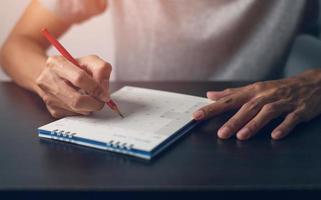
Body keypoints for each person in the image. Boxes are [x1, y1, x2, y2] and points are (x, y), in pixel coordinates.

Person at [1, 0, 321, 141]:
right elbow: (18, 43)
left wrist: (315, 80)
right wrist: (51, 79)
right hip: (137, 136)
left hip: (260, 136)